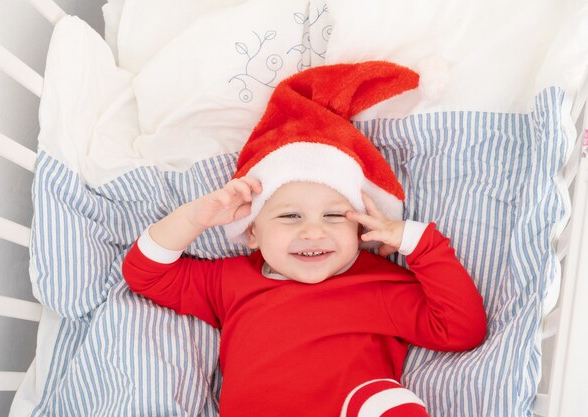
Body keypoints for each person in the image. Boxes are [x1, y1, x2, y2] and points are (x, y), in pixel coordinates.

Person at [122, 61, 487, 417]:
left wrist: (417, 241)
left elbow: (461, 330)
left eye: (333, 216)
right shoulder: (229, 281)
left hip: (358, 406)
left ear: (361, 229)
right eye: (290, 216)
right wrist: (192, 218)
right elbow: (145, 274)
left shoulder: (380, 284)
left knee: (383, 401)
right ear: (252, 231)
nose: (313, 231)